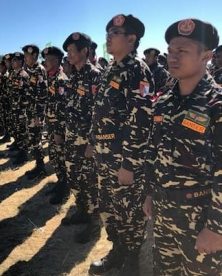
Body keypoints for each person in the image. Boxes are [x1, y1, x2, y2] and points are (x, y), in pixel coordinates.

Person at [143, 18, 222, 276]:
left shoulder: (216, 104)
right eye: (170, 52)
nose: (172, 58)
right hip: (164, 214)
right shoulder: (163, 102)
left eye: (182, 51)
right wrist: (149, 193)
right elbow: (154, 153)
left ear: (206, 56)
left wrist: (216, 228)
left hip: (201, 220)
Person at [89, 14, 154, 276]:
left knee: (130, 214)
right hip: (105, 158)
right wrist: (95, 145)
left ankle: (132, 261)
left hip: (124, 162)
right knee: (109, 209)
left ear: (131, 38)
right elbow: (100, 113)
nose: (108, 37)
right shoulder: (110, 70)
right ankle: (118, 251)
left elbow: (141, 122)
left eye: (114, 33)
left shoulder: (138, 71)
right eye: (107, 33)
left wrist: (129, 164)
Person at [59, 32, 103, 244]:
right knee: (75, 178)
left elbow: (100, 113)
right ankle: (82, 211)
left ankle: (95, 225)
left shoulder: (95, 76)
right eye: (67, 51)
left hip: (86, 142)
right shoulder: (73, 76)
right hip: (71, 138)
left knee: (91, 182)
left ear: (85, 51)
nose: (68, 55)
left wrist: (93, 142)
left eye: (72, 51)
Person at [40, 46, 69, 204]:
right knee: (54, 157)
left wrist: (58, 132)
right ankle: (59, 182)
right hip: (51, 126)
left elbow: (62, 109)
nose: (45, 63)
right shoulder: (50, 78)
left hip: (59, 129)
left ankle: (65, 189)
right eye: (44, 60)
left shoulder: (61, 80)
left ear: (56, 61)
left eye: (48, 60)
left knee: (61, 157)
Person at [22, 44, 49, 180]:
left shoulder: (39, 70)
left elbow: (43, 95)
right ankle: (38, 165)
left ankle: (41, 168)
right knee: (32, 139)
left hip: (36, 114)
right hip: (30, 111)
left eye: (27, 56)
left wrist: (39, 115)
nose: (25, 59)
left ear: (34, 56)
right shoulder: (28, 69)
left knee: (36, 139)